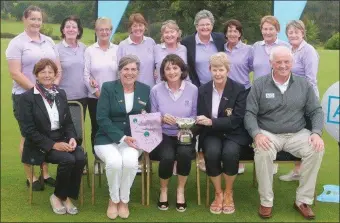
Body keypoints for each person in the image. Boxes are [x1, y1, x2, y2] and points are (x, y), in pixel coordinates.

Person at [244, 46, 324, 220]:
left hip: (297, 133)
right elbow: (250, 113)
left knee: (316, 148)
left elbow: (316, 111)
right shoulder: (259, 84)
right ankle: (266, 202)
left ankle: (303, 201)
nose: (283, 65)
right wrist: (257, 134)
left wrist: (316, 132)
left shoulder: (304, 84)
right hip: (268, 133)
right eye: (278, 62)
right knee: (263, 150)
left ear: (292, 63)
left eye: (286, 61)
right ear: (271, 63)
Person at [19, 58, 85, 215]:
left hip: (62, 138)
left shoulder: (60, 93)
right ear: (36, 74)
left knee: (80, 156)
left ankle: (62, 195)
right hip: (40, 143)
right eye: (43, 72)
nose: (47, 75)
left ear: (55, 74)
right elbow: (28, 130)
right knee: (67, 159)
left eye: (50, 72)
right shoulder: (27, 98)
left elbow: (68, 123)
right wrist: (53, 145)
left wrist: (72, 138)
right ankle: (59, 197)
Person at [5, 5, 60, 191]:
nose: (36, 22)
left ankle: (45, 173)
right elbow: (15, 73)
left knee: (46, 134)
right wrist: (38, 91)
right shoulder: (17, 43)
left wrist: (51, 88)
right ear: (24, 19)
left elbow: (57, 68)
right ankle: (31, 176)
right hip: (25, 97)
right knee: (27, 136)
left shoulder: (49, 41)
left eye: (39, 19)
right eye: (33, 19)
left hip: (48, 97)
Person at [94, 55, 150, 220]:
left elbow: (149, 117)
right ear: (119, 71)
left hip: (134, 140)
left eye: (133, 69)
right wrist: (123, 137)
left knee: (130, 163)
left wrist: (145, 132)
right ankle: (113, 199)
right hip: (106, 138)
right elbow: (101, 118)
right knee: (114, 162)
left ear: (138, 72)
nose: (129, 73)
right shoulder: (108, 88)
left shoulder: (145, 89)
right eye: (126, 69)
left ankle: (124, 200)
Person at [196, 52, 252, 214]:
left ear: (228, 70)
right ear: (209, 70)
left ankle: (228, 192)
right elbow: (200, 116)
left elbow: (237, 119)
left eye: (221, 70)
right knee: (212, 153)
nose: (218, 73)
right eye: (214, 69)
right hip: (211, 134)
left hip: (234, 133)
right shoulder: (203, 90)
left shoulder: (239, 89)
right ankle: (218, 193)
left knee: (230, 153)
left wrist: (212, 121)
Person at [149, 54, 198, 212]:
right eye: (167, 68)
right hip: (163, 133)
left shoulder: (193, 89)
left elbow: (195, 115)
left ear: (182, 69)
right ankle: (163, 190)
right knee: (167, 156)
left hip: (185, 133)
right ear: (163, 72)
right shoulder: (156, 90)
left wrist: (183, 126)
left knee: (184, 154)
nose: (171, 71)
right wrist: (162, 119)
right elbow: (151, 116)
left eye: (175, 67)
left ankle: (180, 190)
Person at [181, 9, 225, 172]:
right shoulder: (188, 42)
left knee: (217, 120)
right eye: (201, 25)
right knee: (200, 121)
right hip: (200, 89)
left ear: (212, 25)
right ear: (196, 26)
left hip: (220, 88)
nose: (205, 27)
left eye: (208, 24)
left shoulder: (220, 39)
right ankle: (201, 156)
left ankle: (216, 155)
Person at [279, 20, 320, 182]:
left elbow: (311, 79)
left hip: (306, 100)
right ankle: (298, 171)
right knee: (296, 134)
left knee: (307, 136)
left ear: (303, 33)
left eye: (297, 32)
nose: (293, 35)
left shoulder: (308, 51)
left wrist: (301, 99)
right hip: (292, 100)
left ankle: (305, 174)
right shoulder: (290, 50)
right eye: (290, 32)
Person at [83, 17, 118, 162]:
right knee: (97, 128)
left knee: (115, 127)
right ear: (96, 31)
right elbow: (86, 75)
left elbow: (122, 73)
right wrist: (97, 94)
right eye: (101, 29)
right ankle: (98, 159)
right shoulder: (90, 50)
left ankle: (115, 158)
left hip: (116, 98)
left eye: (107, 29)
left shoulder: (118, 49)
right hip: (95, 98)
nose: (104, 32)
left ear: (111, 31)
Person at [223, 19, 253, 174]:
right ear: (225, 34)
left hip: (244, 91)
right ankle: (229, 154)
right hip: (226, 92)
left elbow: (258, 67)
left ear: (240, 33)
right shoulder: (221, 49)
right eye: (229, 31)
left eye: (235, 31)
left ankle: (240, 159)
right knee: (229, 122)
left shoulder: (248, 49)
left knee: (243, 123)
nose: (232, 33)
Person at [56, 15, 87, 117]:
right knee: (63, 130)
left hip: (83, 96)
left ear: (78, 31)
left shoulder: (84, 48)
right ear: (63, 30)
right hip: (63, 97)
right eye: (68, 27)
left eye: (74, 27)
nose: (71, 29)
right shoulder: (56, 49)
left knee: (79, 130)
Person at [117, 13, 156, 87]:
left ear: (145, 27)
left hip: (150, 89)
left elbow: (156, 65)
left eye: (140, 25)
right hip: (131, 89)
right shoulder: (123, 45)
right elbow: (120, 71)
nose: (138, 28)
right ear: (130, 28)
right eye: (135, 26)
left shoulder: (151, 42)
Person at [251, 15, 289, 80]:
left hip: (279, 88)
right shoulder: (256, 46)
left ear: (277, 30)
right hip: (258, 89)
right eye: (265, 29)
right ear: (261, 30)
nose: (267, 32)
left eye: (271, 29)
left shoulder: (286, 47)